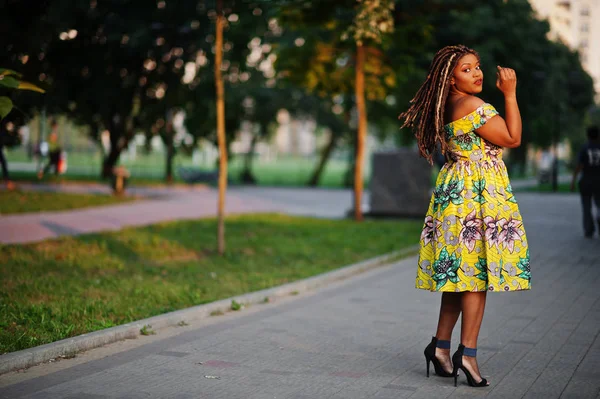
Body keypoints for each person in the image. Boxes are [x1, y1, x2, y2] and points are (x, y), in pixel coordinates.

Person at [399, 45, 530, 388]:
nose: (477, 73)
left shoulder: (447, 105)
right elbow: (513, 137)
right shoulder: (473, 106)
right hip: (477, 197)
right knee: (476, 279)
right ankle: (467, 354)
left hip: (456, 194)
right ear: (450, 77)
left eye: (477, 67)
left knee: (461, 276)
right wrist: (511, 94)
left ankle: (440, 347)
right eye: (466, 69)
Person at [570, 126, 600, 237]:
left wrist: (573, 181)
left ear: (588, 136)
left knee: (586, 207)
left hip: (586, 181)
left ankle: (589, 229)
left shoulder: (584, 148)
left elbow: (579, 166)